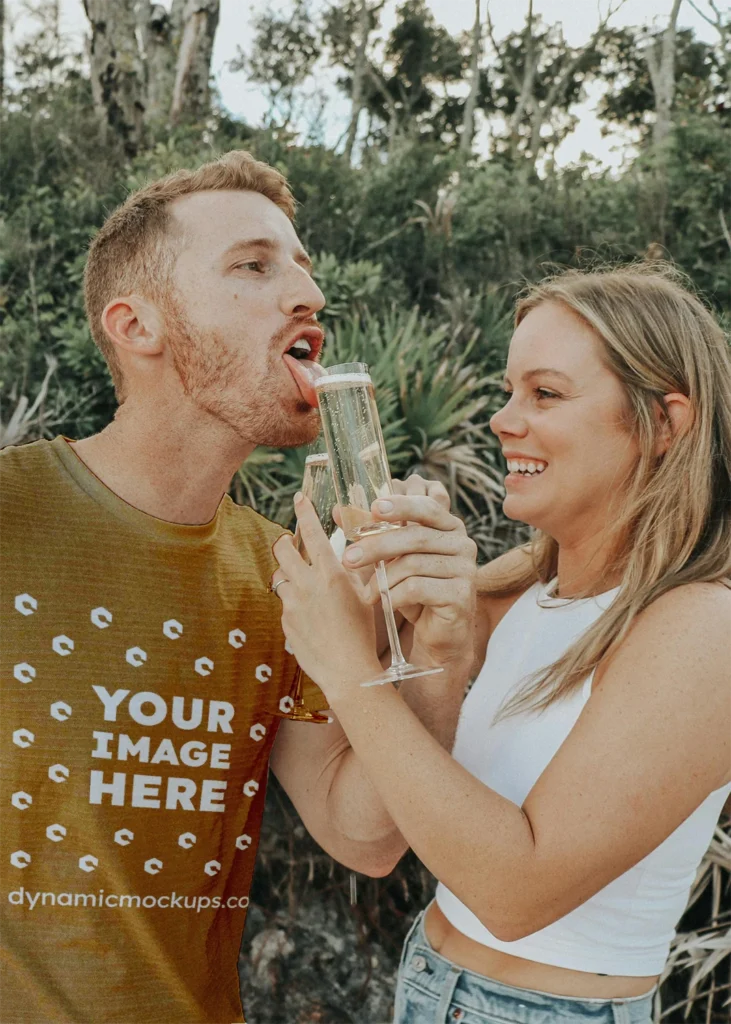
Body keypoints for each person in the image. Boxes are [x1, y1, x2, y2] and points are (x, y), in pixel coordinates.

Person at [0, 150, 477, 1024]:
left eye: (302, 267)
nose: (307, 295)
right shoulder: (9, 516)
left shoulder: (283, 574)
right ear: (135, 324)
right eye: (253, 266)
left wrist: (440, 651)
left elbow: (362, 835)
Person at [273, 264, 731, 1024]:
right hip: (426, 977)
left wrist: (348, 668)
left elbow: (516, 892)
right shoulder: (518, 586)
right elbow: (368, 832)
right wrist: (424, 637)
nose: (502, 420)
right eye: (509, 390)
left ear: (664, 424)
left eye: (544, 393)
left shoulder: (702, 626)